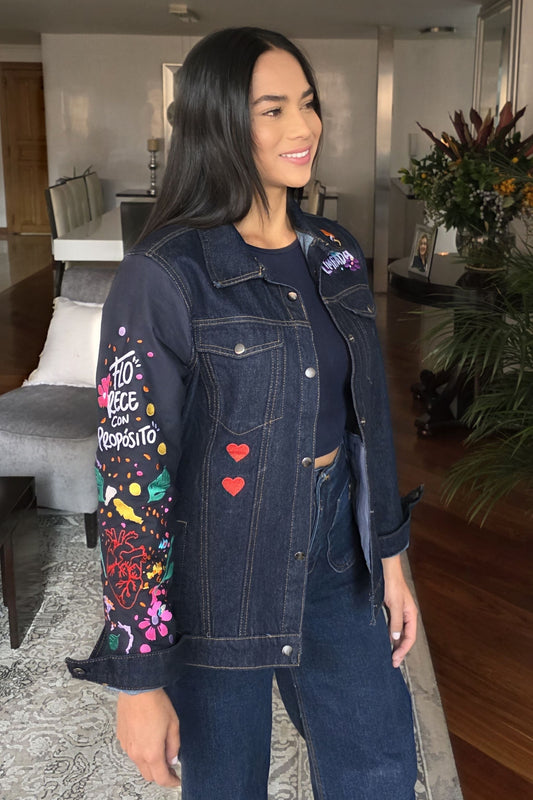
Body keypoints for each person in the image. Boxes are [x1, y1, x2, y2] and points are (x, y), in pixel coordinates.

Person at [67, 27, 422, 800]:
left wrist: (391, 560)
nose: (303, 127)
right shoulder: (164, 275)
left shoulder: (334, 251)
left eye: (307, 103)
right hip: (217, 569)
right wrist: (138, 679)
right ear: (219, 123)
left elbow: (368, 418)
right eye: (272, 109)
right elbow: (130, 480)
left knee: (379, 763)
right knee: (226, 780)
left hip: (336, 552)